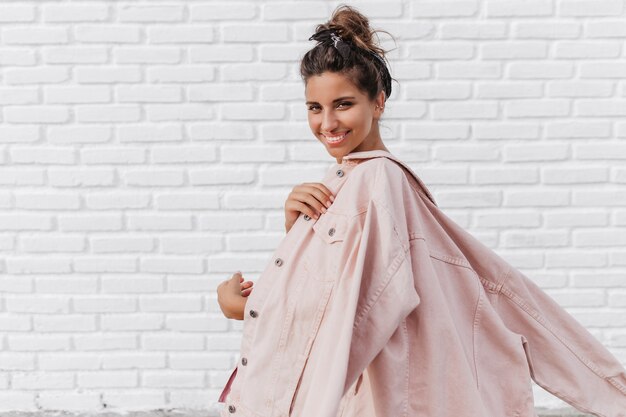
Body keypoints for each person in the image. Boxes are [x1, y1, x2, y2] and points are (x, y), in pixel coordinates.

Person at [216, 5, 626, 417]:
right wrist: (297, 232)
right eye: (314, 107)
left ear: (378, 102)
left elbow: (351, 309)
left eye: (343, 104)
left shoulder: (377, 181)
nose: (327, 123)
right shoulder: (359, 184)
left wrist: (243, 306)